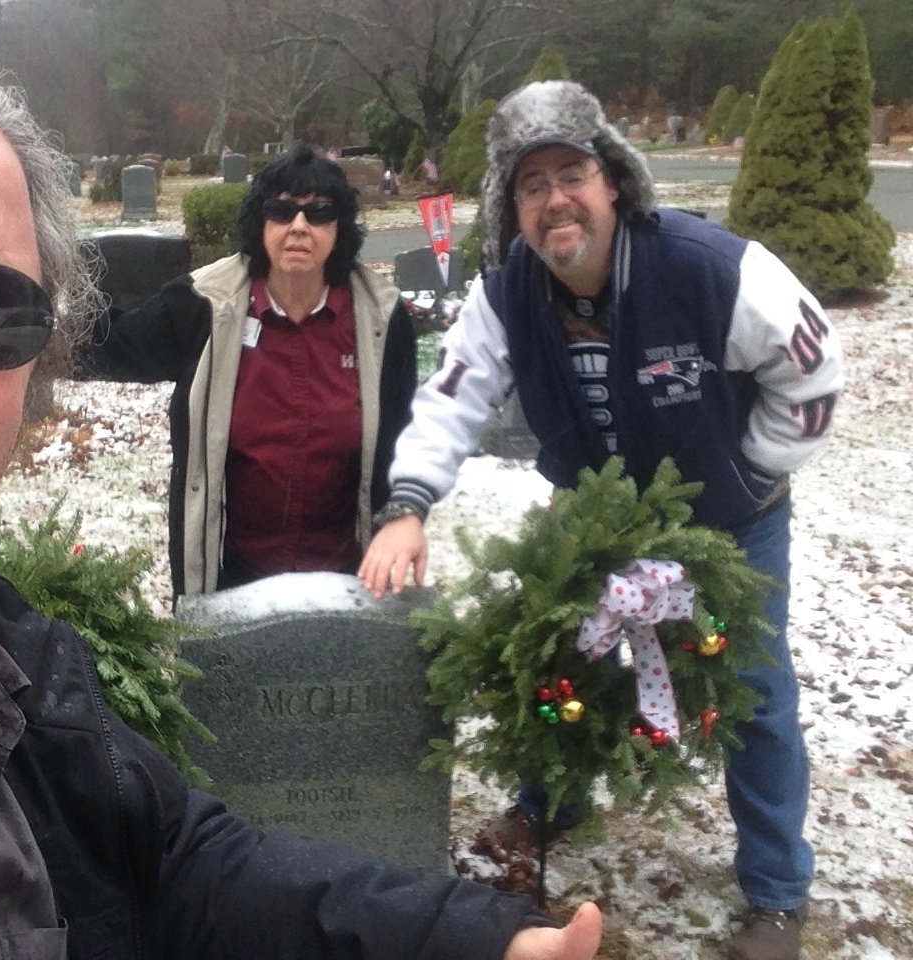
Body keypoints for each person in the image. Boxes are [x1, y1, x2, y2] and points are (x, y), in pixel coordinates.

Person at [0, 32, 603, 959]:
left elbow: (177, 870)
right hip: (231, 567)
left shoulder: (18, 682)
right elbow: (119, 342)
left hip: (344, 566)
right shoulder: (209, 305)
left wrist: (456, 939)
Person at [360, 79, 843, 960]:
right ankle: (550, 804)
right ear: (512, 207)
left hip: (730, 521)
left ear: (613, 179)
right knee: (561, 662)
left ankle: (776, 892)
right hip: (592, 515)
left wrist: (744, 477)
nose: (555, 200)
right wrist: (407, 504)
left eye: (572, 174)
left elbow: (812, 372)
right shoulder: (506, 295)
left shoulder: (709, 268)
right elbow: (451, 400)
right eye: (531, 184)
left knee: (756, 693)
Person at [80, 144, 416, 597]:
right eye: (282, 211)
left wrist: (404, 514)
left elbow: (406, 441)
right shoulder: (204, 305)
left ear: (339, 228)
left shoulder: (382, 319)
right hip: (232, 578)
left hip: (347, 579)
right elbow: (111, 346)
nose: (299, 226)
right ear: (261, 222)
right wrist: (29, 322)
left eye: (319, 213)